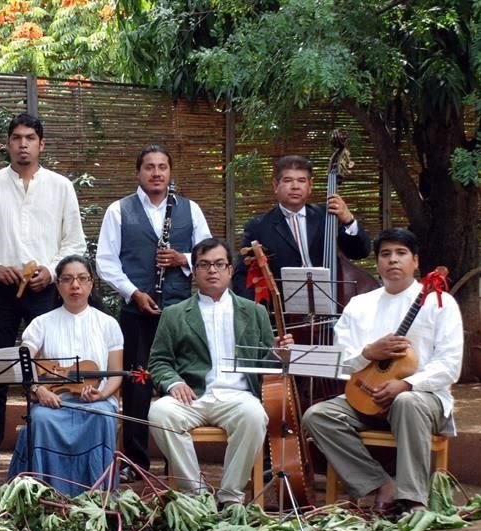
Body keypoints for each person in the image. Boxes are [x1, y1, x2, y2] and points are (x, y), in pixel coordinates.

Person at [301, 228, 463, 512]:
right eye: (386, 254)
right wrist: (369, 353)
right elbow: (340, 360)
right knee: (318, 416)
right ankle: (380, 484)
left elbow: (450, 366)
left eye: (401, 253)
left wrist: (407, 384)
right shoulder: (360, 304)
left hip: (422, 399)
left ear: (415, 261)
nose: (393, 260)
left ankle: (413, 499)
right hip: (367, 398)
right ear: (377, 263)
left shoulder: (438, 302)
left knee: (407, 402)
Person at [0, 113, 87, 475]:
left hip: (44, 289)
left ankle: (47, 448)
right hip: (1, 288)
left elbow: (74, 241)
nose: (22, 144)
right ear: (8, 143)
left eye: (30, 138)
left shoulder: (61, 187)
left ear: (41, 144)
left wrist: (51, 269)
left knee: (47, 369)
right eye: (16, 137)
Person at [147, 238, 293, 505]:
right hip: (193, 396)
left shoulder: (254, 312)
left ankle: (230, 496)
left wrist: (278, 355)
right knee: (159, 412)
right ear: (195, 271)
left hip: (238, 395)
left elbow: (265, 363)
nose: (211, 270)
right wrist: (173, 382)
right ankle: (197, 494)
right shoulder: (175, 313)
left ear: (229, 270)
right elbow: (158, 361)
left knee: (253, 415)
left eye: (218, 264)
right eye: (203, 264)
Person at [95, 145, 212, 480]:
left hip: (180, 310)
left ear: (170, 172)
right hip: (137, 308)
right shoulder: (119, 210)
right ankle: (136, 461)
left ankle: (179, 463)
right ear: (138, 172)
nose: (157, 173)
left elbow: (207, 252)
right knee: (137, 383)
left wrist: (182, 259)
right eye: (149, 167)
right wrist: (134, 292)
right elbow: (106, 262)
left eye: (163, 167)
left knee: (182, 380)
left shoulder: (189, 209)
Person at [7, 256, 124, 496]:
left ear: (91, 284)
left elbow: (115, 374)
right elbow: (24, 360)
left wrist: (101, 394)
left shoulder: (109, 324)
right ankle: (45, 495)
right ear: (58, 286)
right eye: (68, 280)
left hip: (95, 401)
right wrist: (38, 390)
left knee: (102, 417)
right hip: (55, 401)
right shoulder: (41, 323)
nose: (75, 286)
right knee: (40, 420)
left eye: (82, 279)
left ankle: (95, 495)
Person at [233, 155, 370, 300]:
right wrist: (256, 315)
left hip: (332, 300)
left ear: (310, 185)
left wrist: (349, 220)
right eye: (288, 180)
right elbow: (243, 275)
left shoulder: (327, 217)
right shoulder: (258, 227)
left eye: (301, 180)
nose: (295, 186)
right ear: (275, 185)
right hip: (283, 310)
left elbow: (359, 252)